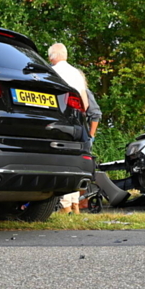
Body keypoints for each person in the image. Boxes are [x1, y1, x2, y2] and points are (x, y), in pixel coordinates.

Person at [48, 43, 90, 214]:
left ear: (52, 56)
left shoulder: (52, 72)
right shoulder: (76, 73)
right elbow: (85, 103)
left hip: (59, 120)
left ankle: (65, 206)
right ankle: (74, 205)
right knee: (74, 161)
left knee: (60, 160)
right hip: (76, 120)